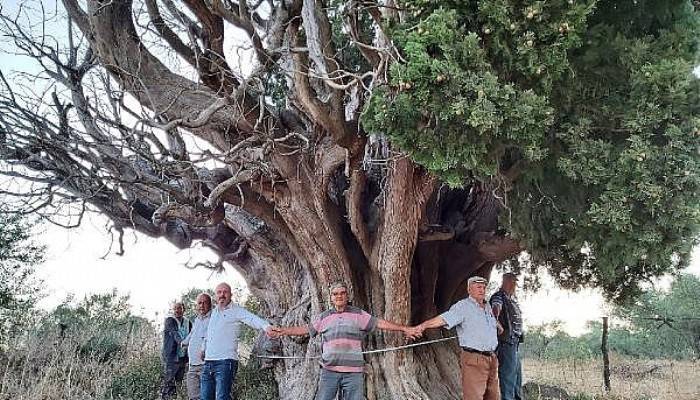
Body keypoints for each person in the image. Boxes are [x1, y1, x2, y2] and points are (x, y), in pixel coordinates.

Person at [277, 282, 422, 400]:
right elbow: (305, 329)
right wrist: (283, 331)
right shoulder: (324, 317)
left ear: (347, 296)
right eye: (335, 294)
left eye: (342, 293)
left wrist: (404, 329)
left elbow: (378, 323)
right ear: (331, 298)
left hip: (353, 373)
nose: (339, 296)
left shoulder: (358, 314)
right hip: (329, 371)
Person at [417, 276, 500, 400]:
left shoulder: (487, 307)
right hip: (474, 359)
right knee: (474, 397)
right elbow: (444, 319)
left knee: (494, 396)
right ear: (469, 289)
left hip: (492, 359)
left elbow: (489, 322)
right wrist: (423, 326)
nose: (482, 290)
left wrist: (498, 326)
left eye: (483, 287)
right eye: (478, 287)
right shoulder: (463, 307)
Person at [200, 282, 280, 400]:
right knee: (205, 397)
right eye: (219, 292)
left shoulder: (236, 310)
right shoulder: (213, 313)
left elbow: (252, 318)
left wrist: (267, 327)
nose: (222, 295)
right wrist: (203, 349)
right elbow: (208, 333)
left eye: (225, 292)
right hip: (208, 362)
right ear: (215, 296)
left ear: (231, 295)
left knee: (222, 397)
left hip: (225, 362)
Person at [490, 273, 524, 400]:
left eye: (515, 282)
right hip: (506, 343)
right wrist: (496, 322)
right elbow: (494, 309)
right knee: (507, 377)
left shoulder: (510, 299)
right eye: (513, 282)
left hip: (514, 344)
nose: (515, 285)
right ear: (506, 282)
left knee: (516, 377)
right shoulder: (499, 297)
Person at [182, 293, 212, 400]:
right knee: (193, 395)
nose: (202, 305)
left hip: (205, 364)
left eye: (205, 303)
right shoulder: (197, 319)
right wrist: (184, 342)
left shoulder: (213, 319)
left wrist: (203, 349)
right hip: (192, 364)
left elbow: (209, 337)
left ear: (210, 304)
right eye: (199, 303)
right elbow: (192, 334)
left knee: (207, 395)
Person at [162, 301, 192, 399]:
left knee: (179, 382)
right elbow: (174, 333)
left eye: (179, 308)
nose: (177, 310)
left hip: (183, 357)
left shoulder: (188, 322)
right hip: (171, 356)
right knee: (169, 381)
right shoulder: (169, 320)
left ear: (184, 310)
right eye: (175, 308)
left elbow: (193, 335)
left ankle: (176, 397)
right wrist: (182, 342)